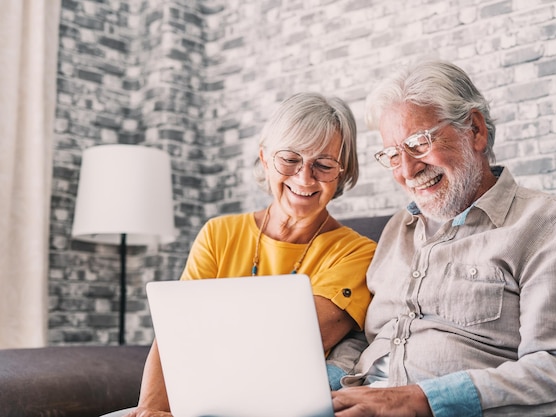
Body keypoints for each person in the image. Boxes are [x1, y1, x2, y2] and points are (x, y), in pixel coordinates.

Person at [330, 60, 556, 417]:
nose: (406, 170)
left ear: (475, 130)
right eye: (392, 154)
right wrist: (322, 381)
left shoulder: (547, 225)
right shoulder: (398, 229)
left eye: (419, 143)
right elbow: (370, 339)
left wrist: (420, 401)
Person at [126, 92, 376, 417]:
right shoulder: (219, 233)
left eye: (324, 165)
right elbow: (174, 336)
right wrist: (150, 409)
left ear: (342, 173)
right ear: (265, 158)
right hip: (196, 401)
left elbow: (289, 344)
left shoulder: (357, 252)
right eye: (289, 159)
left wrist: (202, 330)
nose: (304, 178)